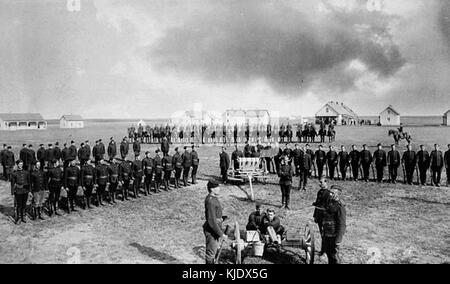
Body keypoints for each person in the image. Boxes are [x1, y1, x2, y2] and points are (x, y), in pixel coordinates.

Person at [320, 185, 346, 264]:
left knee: (334, 256)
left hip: (334, 236)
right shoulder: (330, 202)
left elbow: (342, 224)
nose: (330, 194)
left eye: (332, 193)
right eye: (330, 192)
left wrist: (338, 240)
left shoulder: (340, 206)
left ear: (337, 194)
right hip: (327, 234)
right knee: (329, 254)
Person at [203, 180, 227, 264]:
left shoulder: (213, 198)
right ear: (212, 189)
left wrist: (221, 218)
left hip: (214, 228)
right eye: (217, 187)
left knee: (214, 251)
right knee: (211, 254)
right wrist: (221, 234)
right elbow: (212, 220)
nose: (219, 189)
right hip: (211, 230)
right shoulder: (211, 201)